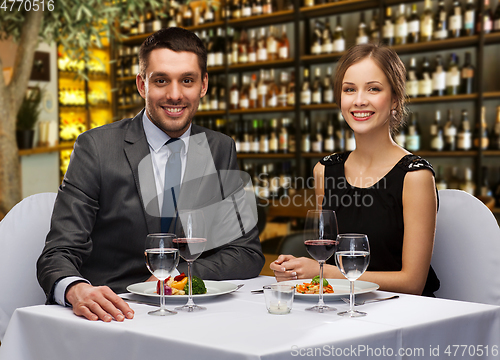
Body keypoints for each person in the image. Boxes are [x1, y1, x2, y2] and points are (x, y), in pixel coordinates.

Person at [37, 27, 265, 322]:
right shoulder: (96, 147)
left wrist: (174, 278)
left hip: (195, 314)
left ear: (203, 85)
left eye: (187, 80)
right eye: (161, 81)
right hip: (115, 316)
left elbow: (246, 253)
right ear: (142, 85)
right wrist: (76, 289)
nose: (175, 94)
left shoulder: (219, 148)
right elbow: (58, 253)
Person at [271, 43, 440, 296]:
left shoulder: (415, 176)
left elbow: (413, 282)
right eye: (349, 90)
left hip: (403, 315)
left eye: (373, 89)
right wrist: (294, 271)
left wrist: (322, 272)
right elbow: (325, 256)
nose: (360, 100)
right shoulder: (325, 171)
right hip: (341, 311)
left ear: (395, 99)